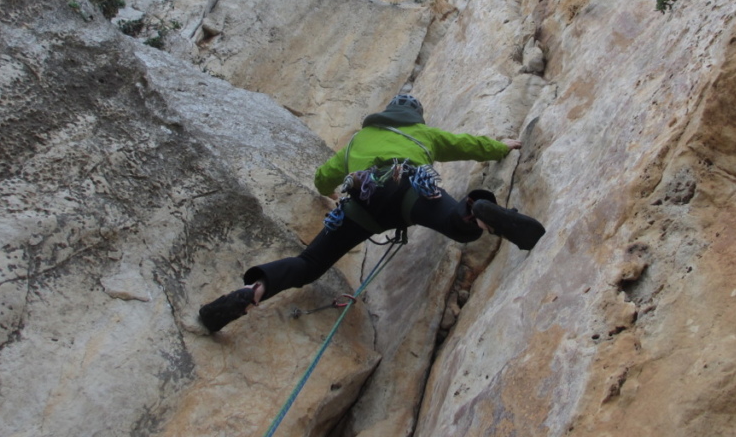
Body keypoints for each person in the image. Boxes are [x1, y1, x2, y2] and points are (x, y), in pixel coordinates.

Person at [198, 94, 545, 333]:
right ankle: (478, 210)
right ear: (416, 117)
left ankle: (254, 290)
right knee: (462, 227)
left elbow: (322, 179)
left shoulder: (356, 141)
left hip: (360, 208)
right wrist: (501, 147)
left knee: (309, 264)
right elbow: (466, 145)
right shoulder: (423, 133)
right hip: (409, 188)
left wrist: (332, 193)